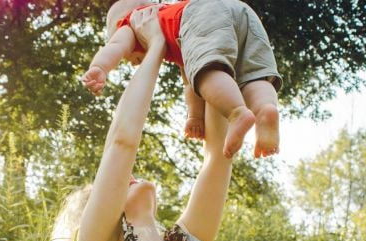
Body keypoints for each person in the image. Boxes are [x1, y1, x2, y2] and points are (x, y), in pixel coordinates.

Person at [55, 6, 232, 241]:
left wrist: (201, 54)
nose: (128, 175)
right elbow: (122, 141)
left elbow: (219, 156)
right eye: (120, 180)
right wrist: (154, 48)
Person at [82, 0, 283, 159]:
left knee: (207, 73)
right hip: (241, 11)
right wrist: (195, 117)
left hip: (202, 12)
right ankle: (265, 110)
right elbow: (190, 82)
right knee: (253, 74)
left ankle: (237, 112)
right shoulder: (174, 22)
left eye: (129, 59)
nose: (133, 63)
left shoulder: (132, 23)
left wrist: (99, 67)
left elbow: (116, 45)